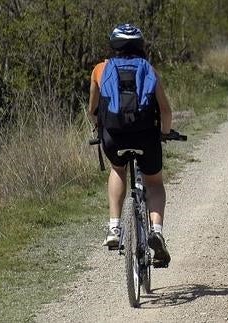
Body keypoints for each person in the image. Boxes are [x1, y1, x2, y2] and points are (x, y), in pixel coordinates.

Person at [87, 23, 173, 267]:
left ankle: (114, 227)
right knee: (154, 183)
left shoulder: (100, 70)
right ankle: (156, 231)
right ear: (140, 46)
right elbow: (165, 110)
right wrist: (165, 133)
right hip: (146, 135)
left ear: (113, 45)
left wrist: (99, 126)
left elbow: (93, 109)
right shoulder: (149, 70)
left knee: (118, 169)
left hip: (114, 136)